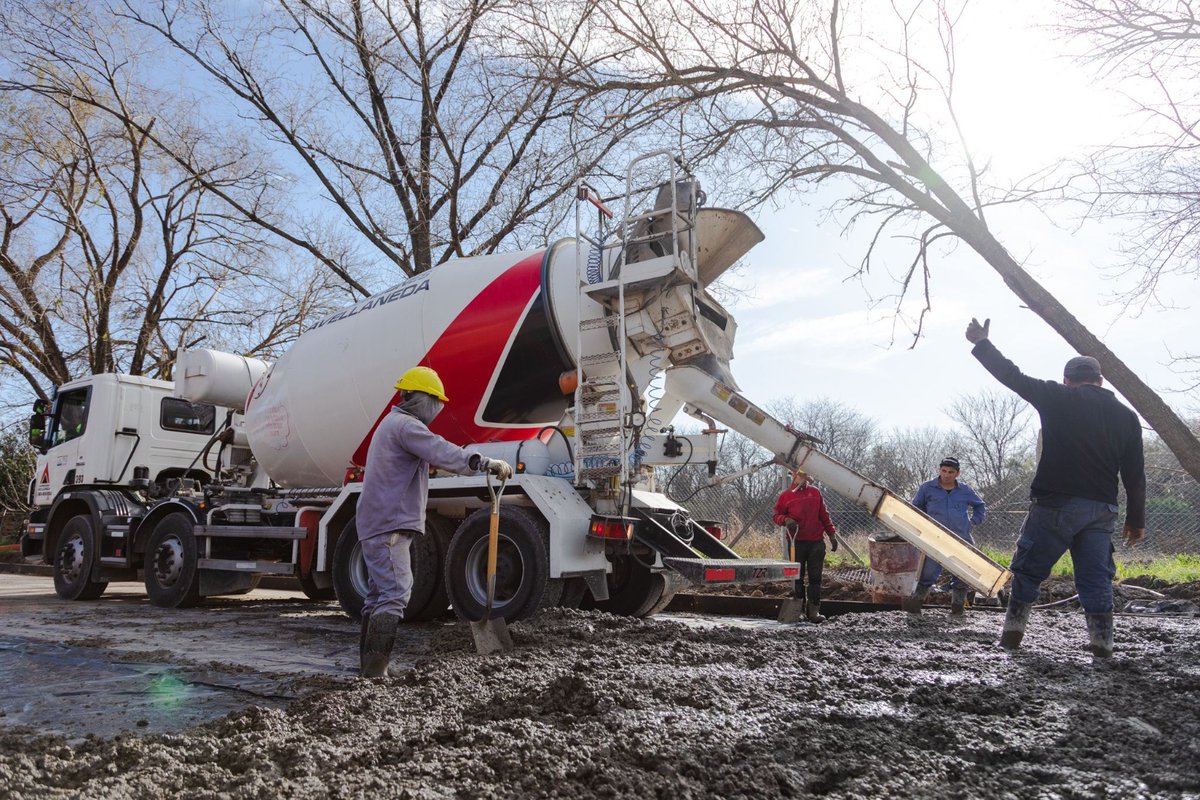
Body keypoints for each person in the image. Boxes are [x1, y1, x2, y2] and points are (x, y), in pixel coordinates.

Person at [966, 317, 1145, 658]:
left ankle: (1013, 633)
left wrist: (982, 343)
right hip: (1101, 510)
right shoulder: (1126, 416)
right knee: (1095, 577)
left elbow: (1013, 376)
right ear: (1100, 381)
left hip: (1056, 504)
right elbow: (1135, 474)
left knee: (1029, 570)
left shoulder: (1058, 396)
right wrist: (1136, 520)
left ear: (1068, 380)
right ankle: (1102, 643)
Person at [356, 366, 513, 677]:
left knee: (378, 595)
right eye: (435, 402)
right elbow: (439, 449)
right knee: (396, 593)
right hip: (388, 523)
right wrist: (483, 463)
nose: (437, 410)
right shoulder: (405, 425)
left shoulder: (391, 425)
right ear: (420, 399)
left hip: (377, 520)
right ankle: (375, 675)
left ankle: (369, 670)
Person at [903, 457, 987, 616]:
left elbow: (980, 506)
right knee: (927, 574)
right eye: (944, 471)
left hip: (962, 539)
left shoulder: (965, 490)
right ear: (939, 470)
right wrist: (923, 527)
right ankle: (914, 608)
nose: (946, 475)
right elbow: (915, 508)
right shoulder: (927, 488)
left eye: (951, 472)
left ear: (957, 473)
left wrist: (972, 522)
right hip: (934, 540)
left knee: (963, 574)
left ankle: (957, 609)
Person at [772, 467, 838, 623]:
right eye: (799, 477)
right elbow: (776, 515)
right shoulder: (786, 497)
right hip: (796, 542)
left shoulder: (815, 493)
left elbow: (824, 515)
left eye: (804, 477)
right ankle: (798, 611)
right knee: (797, 578)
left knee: (815, 578)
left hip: (816, 542)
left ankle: (814, 611)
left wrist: (831, 534)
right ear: (793, 477)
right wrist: (786, 520)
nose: (801, 480)